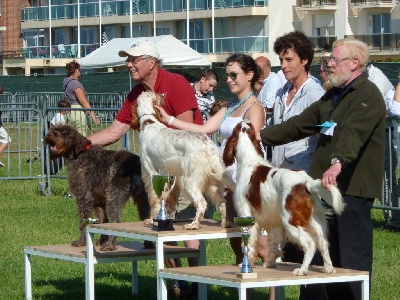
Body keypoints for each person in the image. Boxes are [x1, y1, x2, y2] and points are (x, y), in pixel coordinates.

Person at [260, 37, 386, 300]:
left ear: (354, 63)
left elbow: (354, 133)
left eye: (334, 60)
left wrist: (338, 162)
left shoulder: (368, 95)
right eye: (328, 60)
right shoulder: (332, 97)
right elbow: (300, 125)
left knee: (350, 258)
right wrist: (260, 136)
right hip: (323, 189)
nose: (329, 65)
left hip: (352, 189)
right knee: (319, 253)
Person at [87, 40, 204, 298]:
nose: (129, 64)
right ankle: (177, 284)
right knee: (163, 228)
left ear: (151, 62)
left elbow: (185, 127)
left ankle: (198, 284)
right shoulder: (135, 96)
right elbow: (115, 131)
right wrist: (83, 143)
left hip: (185, 166)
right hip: (158, 173)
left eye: (134, 59)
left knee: (186, 228)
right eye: (127, 60)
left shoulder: (176, 84)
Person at [155, 53, 274, 300]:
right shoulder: (231, 105)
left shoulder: (255, 108)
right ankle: (247, 294)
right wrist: (170, 120)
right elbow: (205, 129)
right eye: (227, 75)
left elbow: (254, 150)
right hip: (229, 185)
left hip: (249, 188)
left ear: (250, 75)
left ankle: (275, 295)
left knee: (262, 247)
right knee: (238, 244)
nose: (229, 80)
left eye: (234, 75)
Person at [271, 31, 325, 174]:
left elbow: (323, 136)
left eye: (289, 60)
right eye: (281, 60)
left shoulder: (315, 93)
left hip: (303, 172)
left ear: (304, 60)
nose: (283, 65)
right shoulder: (281, 93)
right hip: (279, 172)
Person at [63, 60, 100, 136]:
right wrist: (94, 118)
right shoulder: (75, 84)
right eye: (80, 69)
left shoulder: (66, 82)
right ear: (76, 71)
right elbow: (84, 102)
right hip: (78, 114)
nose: (81, 71)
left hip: (69, 113)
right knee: (81, 140)